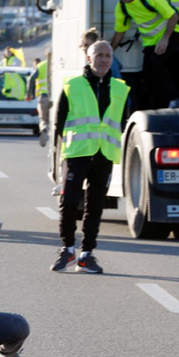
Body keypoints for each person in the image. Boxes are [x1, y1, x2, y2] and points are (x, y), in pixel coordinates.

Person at [50, 41, 130, 274]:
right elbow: (60, 121)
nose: (104, 60)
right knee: (69, 203)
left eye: (107, 55)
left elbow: (122, 121)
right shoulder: (72, 85)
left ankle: (87, 254)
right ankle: (67, 249)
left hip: (104, 155)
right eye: (99, 55)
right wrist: (66, 149)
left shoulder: (120, 88)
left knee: (95, 206)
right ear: (88, 58)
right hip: (78, 154)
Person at [110, 0, 179, 109]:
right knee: (148, 76)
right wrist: (108, 52)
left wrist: (165, 39)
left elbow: (174, 16)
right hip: (150, 42)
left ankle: (175, 99)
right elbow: (119, 32)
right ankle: (162, 107)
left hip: (171, 34)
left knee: (154, 64)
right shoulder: (122, 7)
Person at [26, 51, 52, 147]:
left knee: (44, 119)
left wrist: (29, 94)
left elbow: (31, 79)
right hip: (55, 97)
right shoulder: (58, 65)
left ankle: (44, 129)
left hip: (43, 97)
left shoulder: (41, 66)